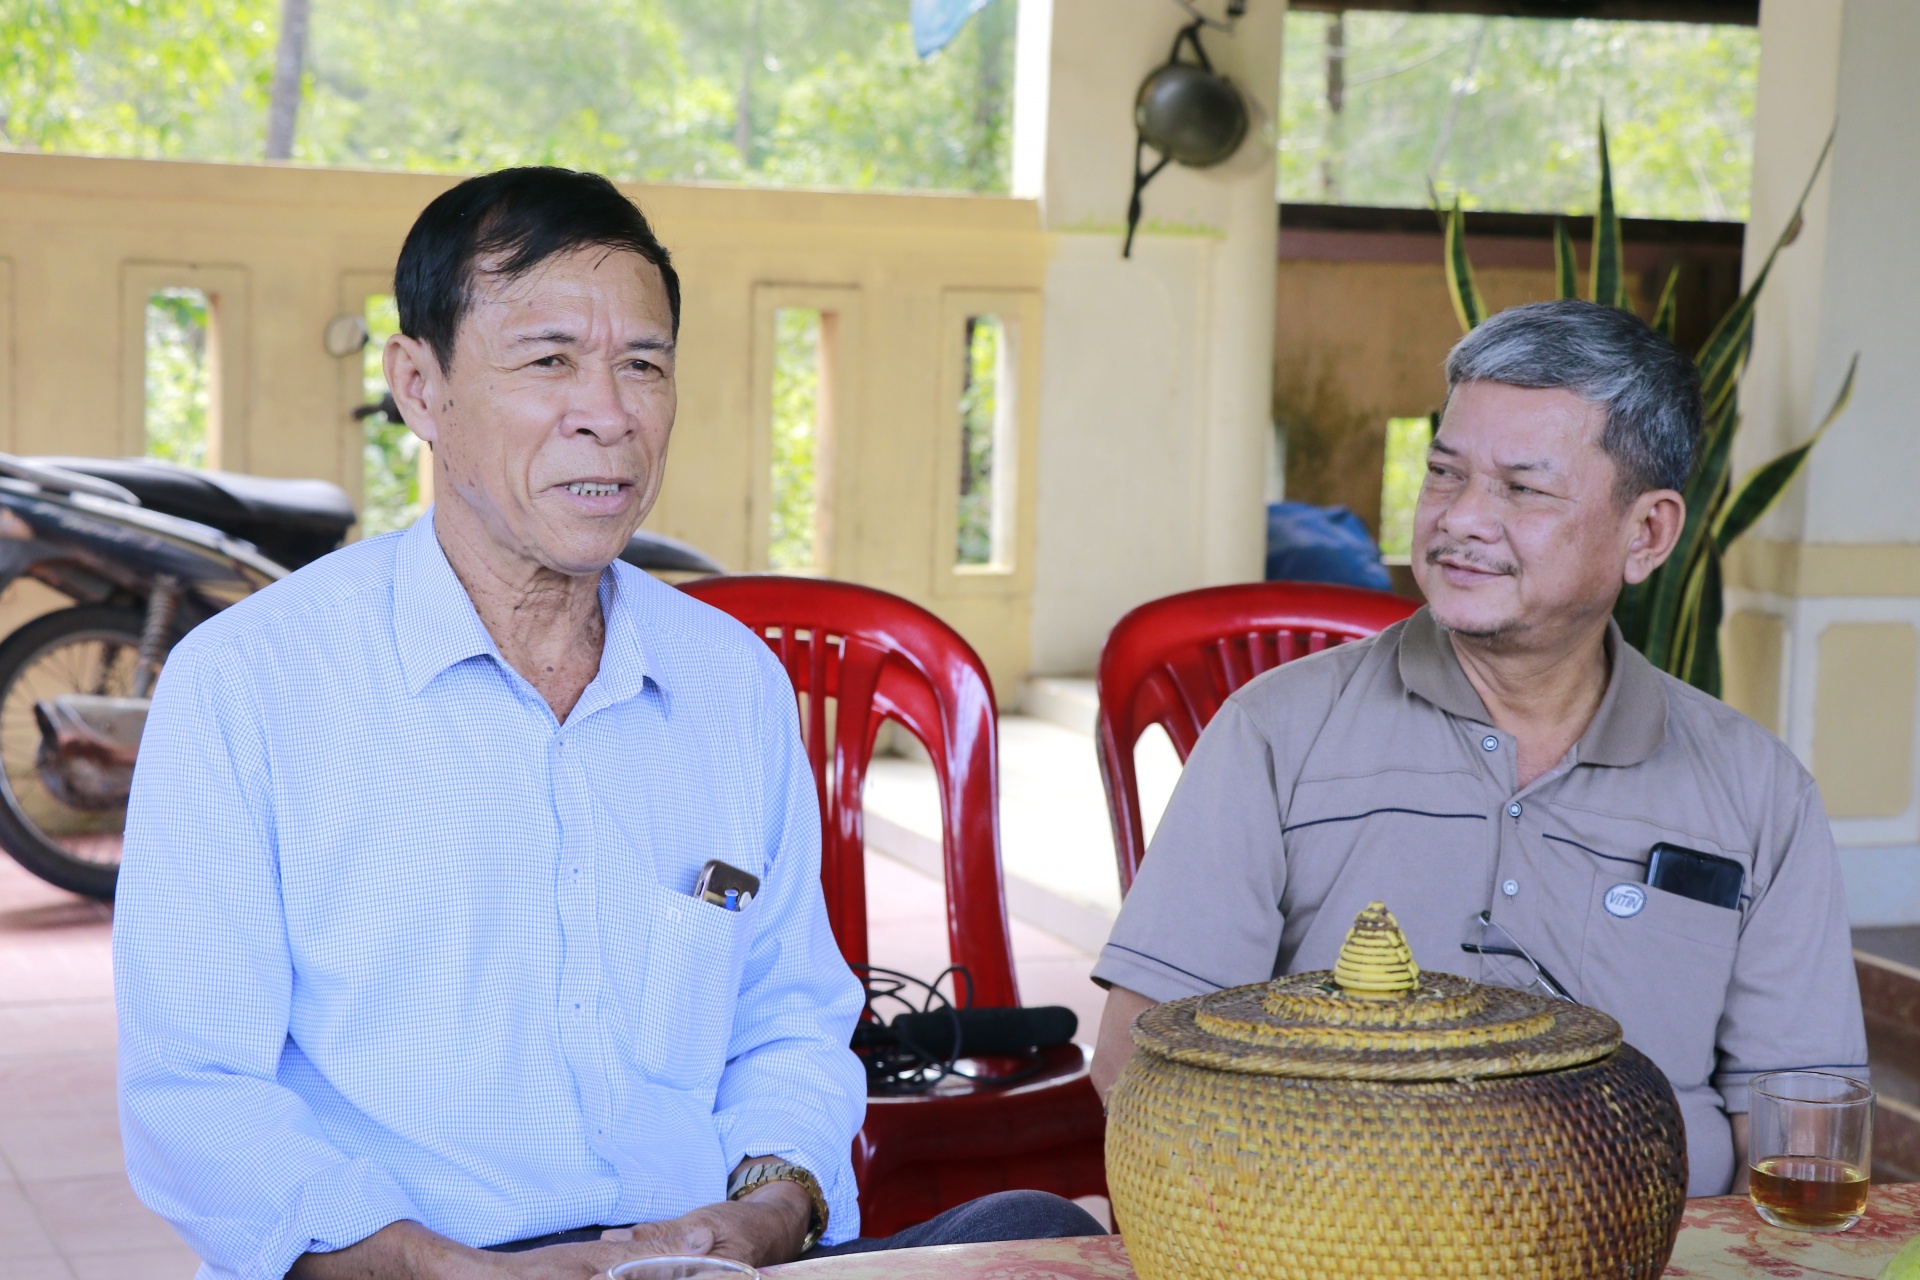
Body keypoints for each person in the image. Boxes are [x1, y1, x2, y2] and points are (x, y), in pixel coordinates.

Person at [114, 167, 1100, 1280]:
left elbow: (786, 1020)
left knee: (1029, 1227)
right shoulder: (249, 685)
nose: (611, 412)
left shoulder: (729, 682)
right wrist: (433, 1264)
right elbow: (197, 1090)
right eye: (548, 361)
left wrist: (768, 1208)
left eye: (645, 363)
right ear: (419, 386)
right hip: (406, 1264)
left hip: (696, 1261)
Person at [1087, 299, 1867, 1199]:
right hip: (1332, 1244)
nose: (1461, 519)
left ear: (1646, 533)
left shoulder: (1757, 791)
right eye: (1444, 474)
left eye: (1522, 488)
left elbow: (1802, 1125)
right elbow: (1142, 1063)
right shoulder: (1278, 733)